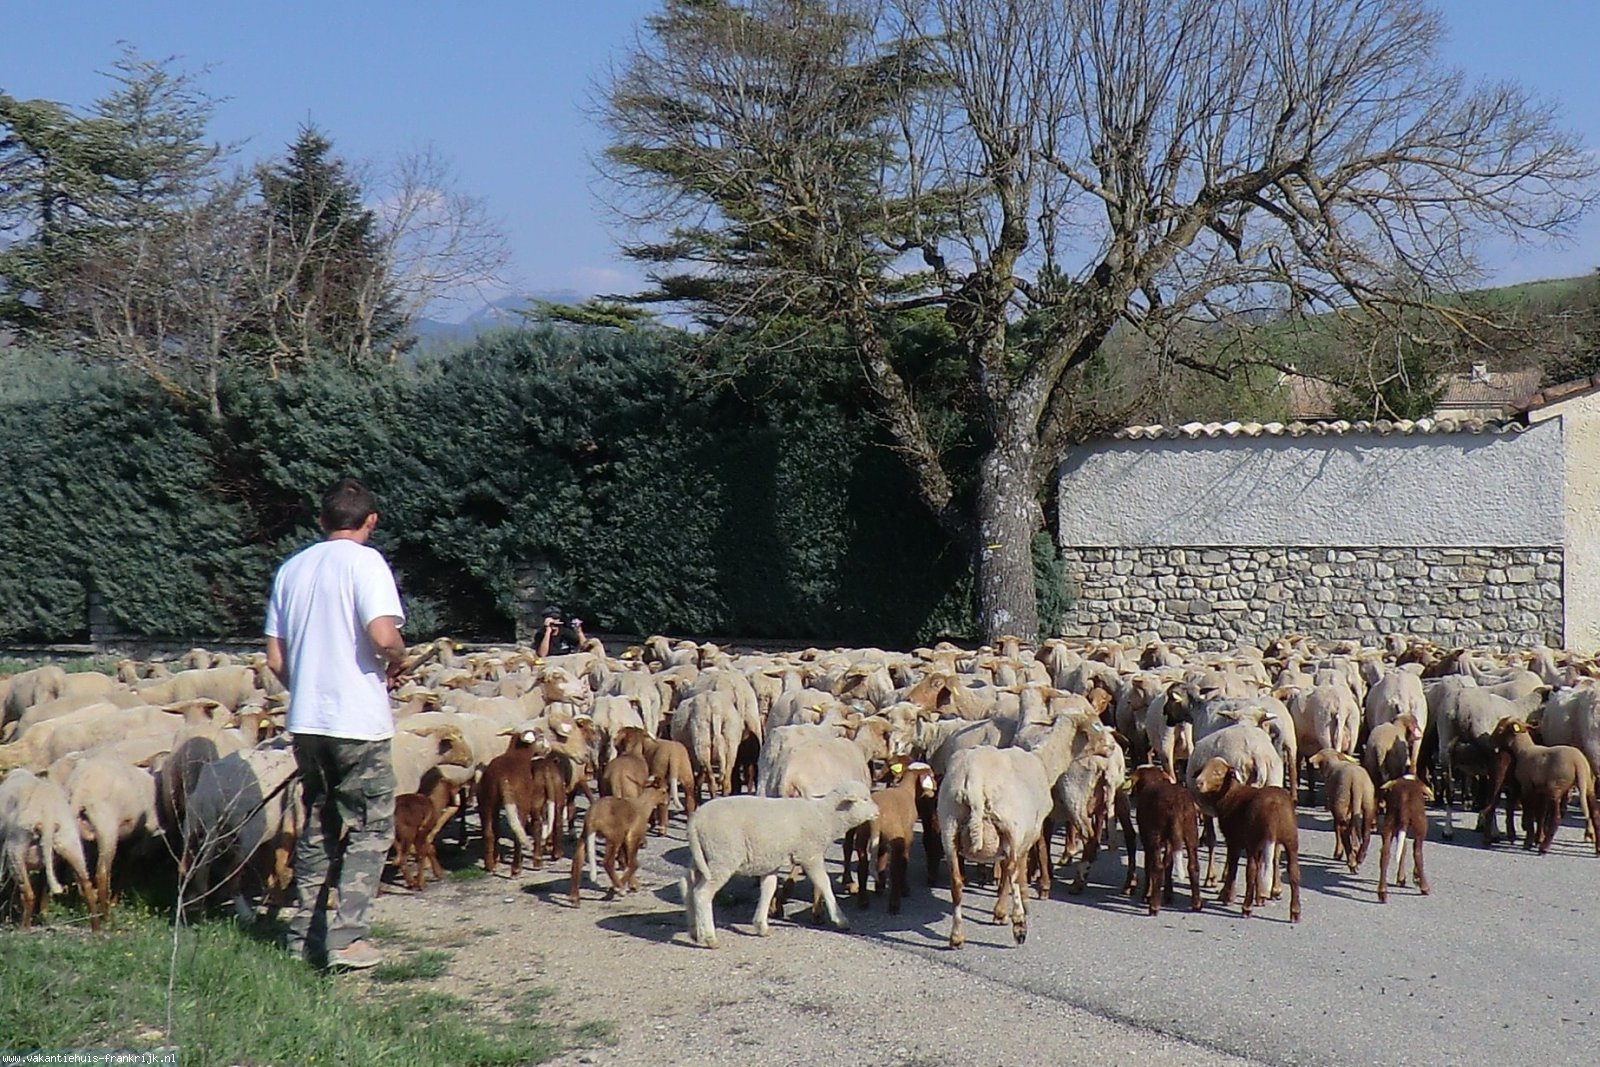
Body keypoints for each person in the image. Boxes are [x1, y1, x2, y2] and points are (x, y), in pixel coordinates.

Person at [264, 477, 407, 971]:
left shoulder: (291, 569)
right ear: (372, 521)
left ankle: (304, 934)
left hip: (307, 722)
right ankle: (348, 937)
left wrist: (308, 690)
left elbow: (275, 658)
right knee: (370, 825)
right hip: (357, 722)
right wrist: (398, 659)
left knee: (319, 821)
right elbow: (383, 635)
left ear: (322, 520)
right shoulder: (366, 563)